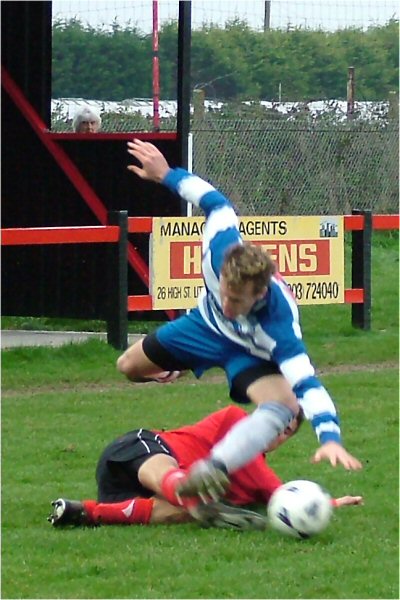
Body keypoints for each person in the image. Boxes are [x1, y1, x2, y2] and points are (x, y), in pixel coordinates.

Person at [116, 139, 362, 504]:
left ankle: (215, 468)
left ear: (260, 295)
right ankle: (180, 369)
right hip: (204, 328)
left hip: (249, 352)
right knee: (128, 366)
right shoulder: (221, 247)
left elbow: (308, 384)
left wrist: (330, 438)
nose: (228, 303)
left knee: (284, 409)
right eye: (225, 294)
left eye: (237, 301)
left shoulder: (279, 327)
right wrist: (167, 174)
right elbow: (215, 202)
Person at [48, 406, 362, 530]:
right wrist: (319, 503)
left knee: (181, 512)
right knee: (173, 477)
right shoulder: (234, 419)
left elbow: (279, 498)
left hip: (127, 498)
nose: (275, 433)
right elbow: (279, 493)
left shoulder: (255, 483)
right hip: (139, 452)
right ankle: (187, 491)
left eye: (285, 431)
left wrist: (327, 504)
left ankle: (86, 513)